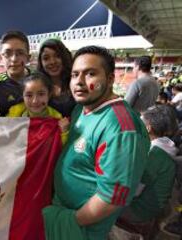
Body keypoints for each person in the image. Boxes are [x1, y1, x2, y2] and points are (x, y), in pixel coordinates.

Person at [43, 46, 150, 240]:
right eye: (75, 75)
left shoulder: (122, 128)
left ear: (110, 79)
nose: (79, 82)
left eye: (90, 74)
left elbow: (112, 198)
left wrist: (73, 220)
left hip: (82, 228)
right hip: (63, 211)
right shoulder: (81, 109)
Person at [115, 105, 178, 238]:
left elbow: (131, 190)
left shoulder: (154, 155)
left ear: (148, 128)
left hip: (141, 211)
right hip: (153, 206)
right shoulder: (164, 147)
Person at [7, 71, 69, 144]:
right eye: (29, 95)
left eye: (41, 94)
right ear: (22, 96)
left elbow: (58, 148)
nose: (35, 101)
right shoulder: (13, 115)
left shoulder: (57, 120)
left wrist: (64, 133)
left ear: (49, 95)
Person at [0, 30, 32, 116]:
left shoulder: (41, 79)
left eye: (20, 53)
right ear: (0, 58)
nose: (14, 59)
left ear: (28, 58)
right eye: (7, 53)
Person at [37, 38, 76, 117]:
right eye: (46, 58)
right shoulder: (37, 85)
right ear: (41, 63)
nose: (52, 62)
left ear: (64, 57)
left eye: (57, 56)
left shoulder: (76, 82)